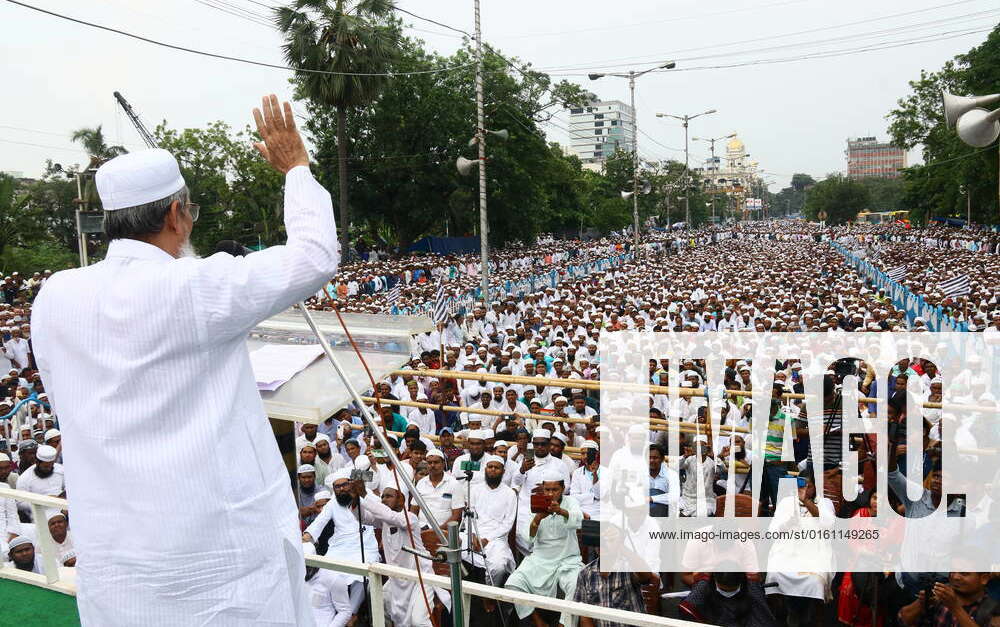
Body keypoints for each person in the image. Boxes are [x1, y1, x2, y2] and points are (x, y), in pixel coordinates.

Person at [31, 95, 338, 625]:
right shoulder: (194, 287)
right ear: (177, 215)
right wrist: (296, 168)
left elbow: (69, 401)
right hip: (217, 565)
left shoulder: (55, 294)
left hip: (118, 560)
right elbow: (314, 255)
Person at [505, 466, 584, 627]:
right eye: (547, 489)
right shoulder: (536, 504)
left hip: (567, 560)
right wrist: (538, 519)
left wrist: (561, 511)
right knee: (513, 583)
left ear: (562, 489)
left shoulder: (571, 502)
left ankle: (564, 624)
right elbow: (529, 538)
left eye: (555, 489)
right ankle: (538, 622)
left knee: (576, 584)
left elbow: (579, 520)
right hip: (540, 559)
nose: (550, 493)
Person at [898, 571, 998, 626]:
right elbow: (903, 619)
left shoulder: (994, 609)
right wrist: (922, 602)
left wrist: (955, 607)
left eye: (964, 573)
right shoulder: (941, 597)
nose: (955, 577)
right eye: (952, 571)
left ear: (984, 578)